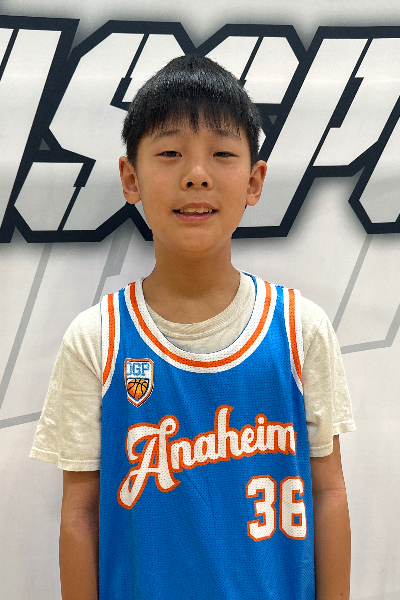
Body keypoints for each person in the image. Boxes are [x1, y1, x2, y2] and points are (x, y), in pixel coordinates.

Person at [30, 54, 355, 600]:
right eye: (170, 153)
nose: (196, 174)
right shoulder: (99, 339)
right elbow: (81, 515)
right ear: (130, 178)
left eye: (222, 153)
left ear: (254, 180)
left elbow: (329, 493)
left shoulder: (301, 330)